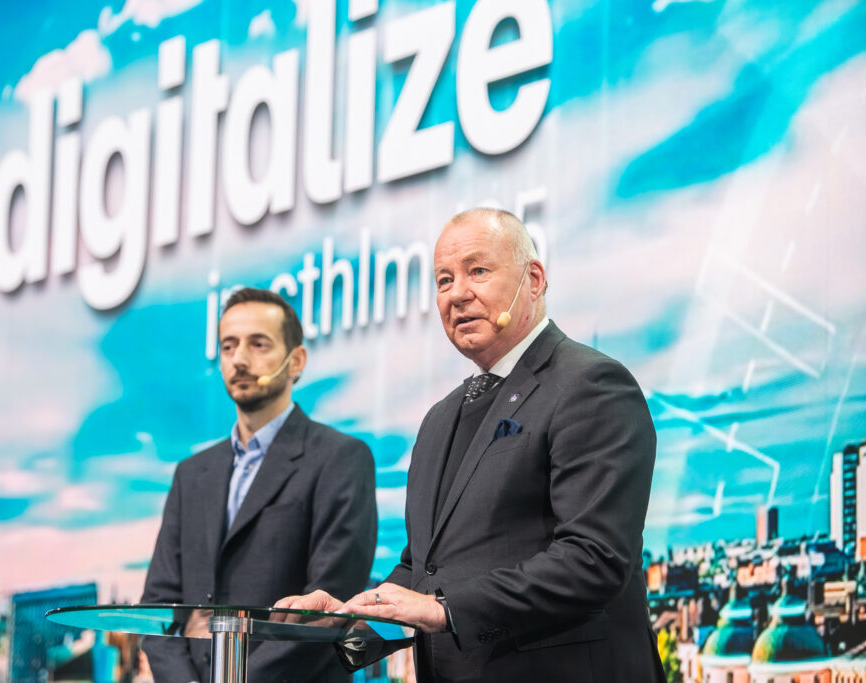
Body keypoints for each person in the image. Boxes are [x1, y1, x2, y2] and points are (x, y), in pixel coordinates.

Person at [278, 209, 665, 682]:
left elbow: (594, 557)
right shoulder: (439, 418)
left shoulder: (591, 384)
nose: (458, 294)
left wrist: (443, 609)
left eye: (478, 271)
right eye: (444, 280)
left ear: (535, 279)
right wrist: (354, 617)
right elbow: (423, 569)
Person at [141, 287, 377, 683]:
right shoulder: (191, 474)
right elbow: (158, 607)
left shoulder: (340, 458)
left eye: (259, 344)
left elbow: (325, 609)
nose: (240, 359)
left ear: (296, 361)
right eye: (229, 346)